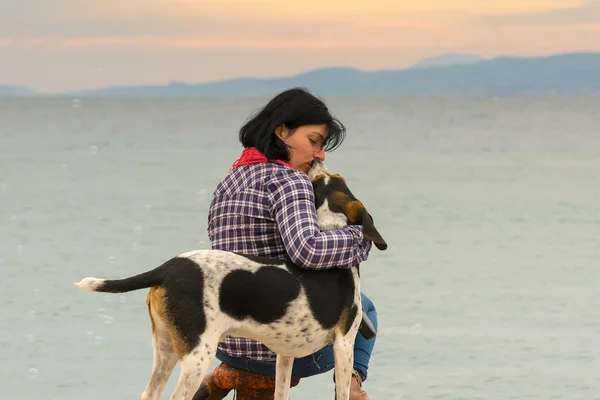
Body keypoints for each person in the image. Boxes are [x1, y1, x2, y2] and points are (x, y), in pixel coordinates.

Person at [197, 87, 378, 400]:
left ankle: (221, 376)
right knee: (364, 306)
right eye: (314, 141)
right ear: (282, 131)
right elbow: (306, 249)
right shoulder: (289, 181)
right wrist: (359, 236)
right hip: (278, 346)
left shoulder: (227, 183)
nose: (320, 154)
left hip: (228, 342)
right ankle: (350, 386)